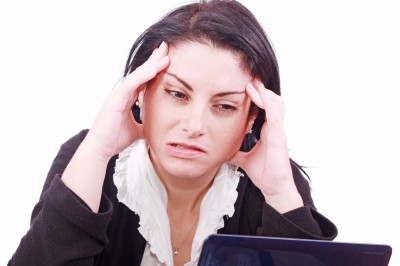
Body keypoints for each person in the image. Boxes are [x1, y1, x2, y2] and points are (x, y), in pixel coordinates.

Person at [8, 0, 338, 265]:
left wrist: (280, 194)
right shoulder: (89, 160)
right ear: (141, 91)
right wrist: (96, 150)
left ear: (252, 118)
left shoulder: (272, 183)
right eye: (178, 94)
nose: (194, 126)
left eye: (224, 106)